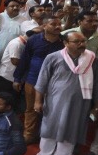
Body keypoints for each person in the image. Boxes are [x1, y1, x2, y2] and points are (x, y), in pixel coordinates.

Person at [32, 31, 98, 155]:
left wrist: (97, 107)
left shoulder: (93, 61)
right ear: (66, 43)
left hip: (80, 104)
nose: (82, 44)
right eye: (77, 42)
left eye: (83, 41)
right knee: (49, 129)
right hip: (54, 102)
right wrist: (38, 101)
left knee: (70, 132)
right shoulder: (53, 57)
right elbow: (42, 80)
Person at [12, 16, 63, 144]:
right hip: (32, 80)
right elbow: (25, 60)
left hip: (55, 83)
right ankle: (28, 134)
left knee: (51, 111)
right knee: (31, 109)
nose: (58, 26)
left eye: (59, 24)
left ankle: (45, 136)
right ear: (44, 26)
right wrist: (17, 78)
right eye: (53, 24)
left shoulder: (64, 43)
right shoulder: (34, 40)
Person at [69, 12, 98, 155]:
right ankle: (72, 142)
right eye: (89, 20)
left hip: (94, 83)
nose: (94, 23)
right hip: (77, 84)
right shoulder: (68, 35)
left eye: (96, 21)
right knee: (77, 114)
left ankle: (96, 151)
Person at [0, 0, 27, 75]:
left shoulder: (24, 21)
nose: (15, 8)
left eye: (17, 6)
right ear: (6, 7)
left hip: (13, 52)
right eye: (12, 6)